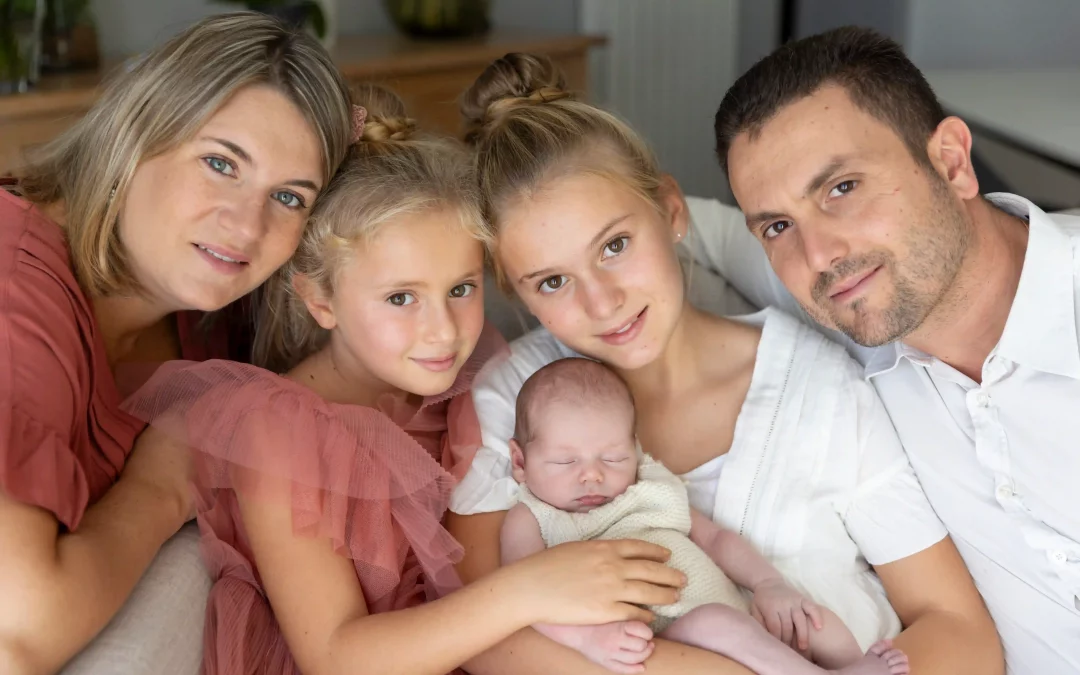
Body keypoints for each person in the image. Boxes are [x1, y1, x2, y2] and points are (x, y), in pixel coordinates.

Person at [447, 52, 1001, 675]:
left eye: (616, 245)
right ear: (514, 292)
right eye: (550, 282)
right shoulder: (510, 396)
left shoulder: (822, 389)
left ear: (672, 212)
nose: (602, 301)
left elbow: (959, 632)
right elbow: (480, 634)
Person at [123, 86, 686, 675]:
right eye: (400, 298)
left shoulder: (469, 381)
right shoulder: (279, 430)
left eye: (461, 289)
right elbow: (335, 655)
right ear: (320, 298)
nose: (443, 330)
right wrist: (529, 589)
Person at [712, 26, 1080, 674]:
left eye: (842, 188)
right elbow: (667, 230)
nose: (818, 255)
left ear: (952, 162)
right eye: (777, 225)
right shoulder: (842, 320)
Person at [0, 12, 355, 674]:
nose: (247, 225)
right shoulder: (15, 296)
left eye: (288, 196)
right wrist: (162, 484)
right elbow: (14, 633)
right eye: (220, 163)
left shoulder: (209, 307)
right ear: (134, 134)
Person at [503, 357, 911, 675]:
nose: (592, 474)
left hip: (741, 621)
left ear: (637, 448)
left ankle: (845, 664)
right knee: (716, 622)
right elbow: (524, 603)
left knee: (811, 619)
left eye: (613, 457)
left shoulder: (650, 486)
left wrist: (769, 584)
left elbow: (716, 540)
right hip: (666, 640)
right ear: (520, 462)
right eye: (564, 461)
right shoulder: (532, 518)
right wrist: (588, 641)